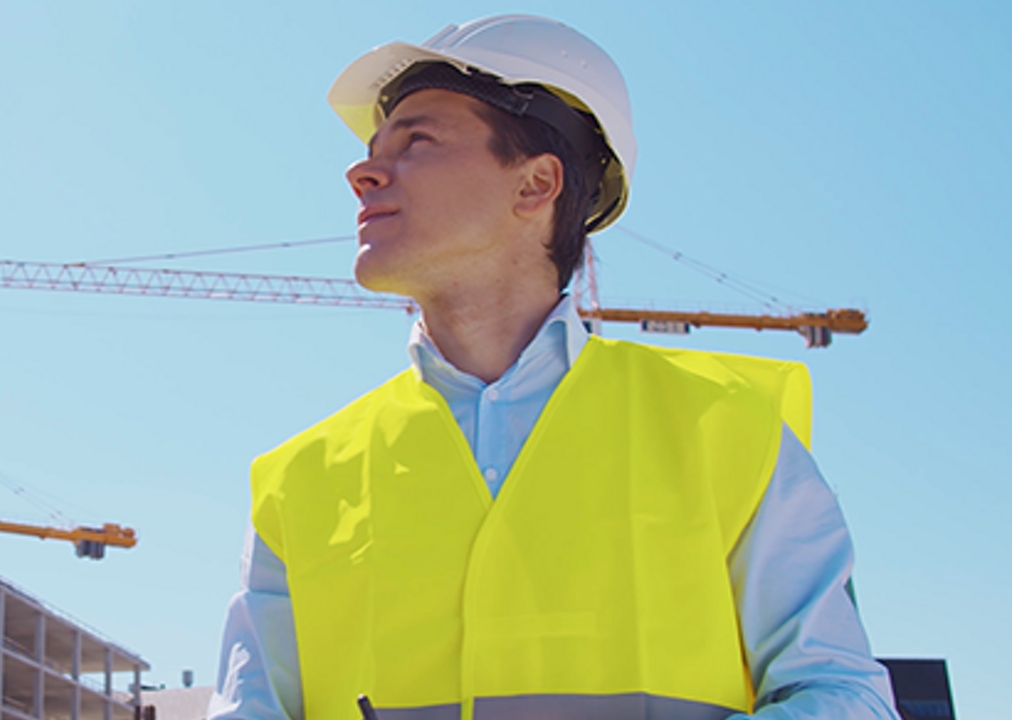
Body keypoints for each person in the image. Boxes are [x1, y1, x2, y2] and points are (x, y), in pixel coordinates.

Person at [208, 15, 899, 720]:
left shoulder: (729, 429)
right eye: (371, 148)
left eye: (417, 140)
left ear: (536, 185)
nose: (362, 172)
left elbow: (844, 698)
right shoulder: (300, 483)